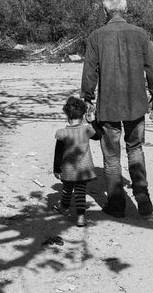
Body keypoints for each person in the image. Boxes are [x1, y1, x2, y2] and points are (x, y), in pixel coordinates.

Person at [81, 0, 153, 218]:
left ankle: (117, 205)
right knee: (135, 149)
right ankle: (142, 196)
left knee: (111, 156)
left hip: (108, 106)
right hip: (136, 104)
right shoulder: (140, 34)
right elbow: (151, 67)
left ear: (105, 12)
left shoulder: (96, 36)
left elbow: (89, 72)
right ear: (124, 11)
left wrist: (87, 99)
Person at [53, 96, 100, 227]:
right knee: (80, 192)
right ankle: (80, 217)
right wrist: (93, 121)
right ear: (83, 115)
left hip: (68, 169)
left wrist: (56, 169)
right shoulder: (87, 130)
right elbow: (98, 135)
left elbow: (58, 153)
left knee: (67, 189)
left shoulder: (62, 133)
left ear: (67, 116)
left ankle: (64, 206)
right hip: (84, 169)